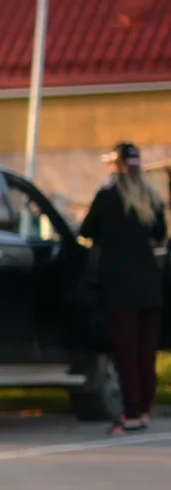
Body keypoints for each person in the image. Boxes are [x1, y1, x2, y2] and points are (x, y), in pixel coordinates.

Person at [78, 141, 166, 434]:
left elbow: (85, 231)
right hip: (150, 287)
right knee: (145, 355)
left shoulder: (107, 196)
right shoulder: (151, 198)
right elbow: (160, 234)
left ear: (115, 167)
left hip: (120, 288)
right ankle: (142, 412)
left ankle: (129, 414)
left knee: (126, 354)